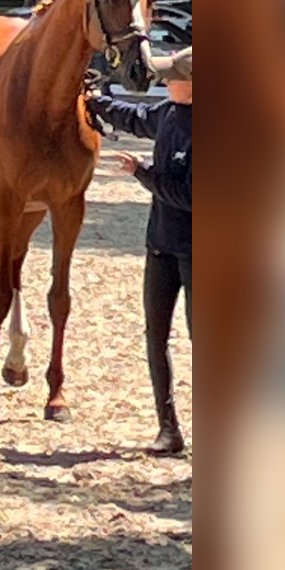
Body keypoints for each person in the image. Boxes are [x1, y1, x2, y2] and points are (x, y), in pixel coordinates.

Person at [85, 48, 192, 455]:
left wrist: (142, 174)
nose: (164, 81)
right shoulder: (167, 112)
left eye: (171, 76)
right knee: (156, 336)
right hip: (160, 245)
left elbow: (192, 196)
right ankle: (168, 428)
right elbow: (132, 116)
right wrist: (95, 101)